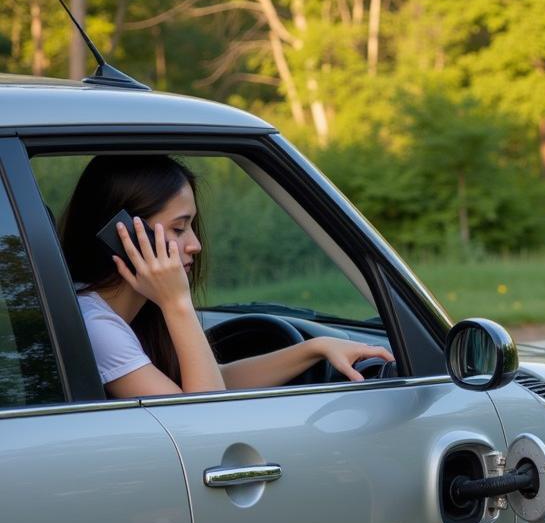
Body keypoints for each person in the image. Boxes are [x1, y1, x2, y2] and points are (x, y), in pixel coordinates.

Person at [60, 155, 393, 398]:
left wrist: (315, 348)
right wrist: (177, 303)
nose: (195, 244)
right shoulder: (95, 326)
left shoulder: (126, 315)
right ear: (125, 237)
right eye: (179, 228)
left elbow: (212, 381)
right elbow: (205, 413)